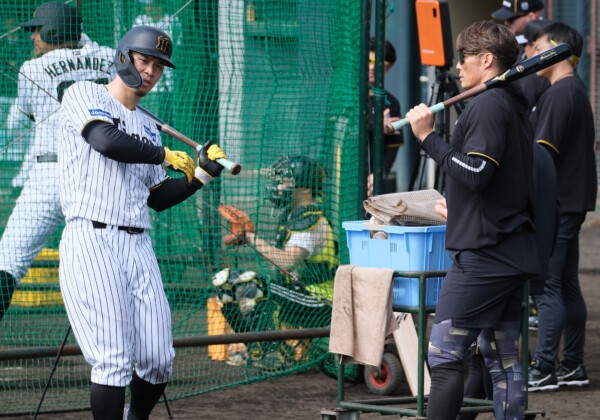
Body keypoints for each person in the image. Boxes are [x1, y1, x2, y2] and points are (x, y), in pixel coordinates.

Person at [56, 25, 227, 419]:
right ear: (124, 57)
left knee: (157, 358)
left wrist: (200, 174)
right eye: (144, 59)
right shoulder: (84, 94)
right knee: (113, 360)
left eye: (158, 66)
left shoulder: (148, 125)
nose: (150, 71)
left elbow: (158, 198)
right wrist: (163, 154)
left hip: (137, 243)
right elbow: (104, 139)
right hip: (91, 238)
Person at [405, 20, 541, 419]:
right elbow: (497, 183)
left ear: (486, 60)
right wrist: (460, 209)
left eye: (464, 59)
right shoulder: (511, 102)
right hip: (509, 247)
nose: (458, 68)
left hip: (486, 256)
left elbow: (477, 173)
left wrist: (429, 138)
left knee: (444, 357)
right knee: (502, 358)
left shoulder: (488, 104)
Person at [0, 1, 115, 323]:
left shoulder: (32, 69)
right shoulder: (109, 57)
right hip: (100, 176)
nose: (33, 37)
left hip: (50, 174)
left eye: (38, 30)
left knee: (8, 259)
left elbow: (18, 122)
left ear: (53, 30)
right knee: (102, 262)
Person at [527, 21, 597, 392]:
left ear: (554, 48)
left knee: (549, 285)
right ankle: (572, 365)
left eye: (536, 45)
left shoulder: (559, 93)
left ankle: (546, 369)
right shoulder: (572, 89)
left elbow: (542, 159)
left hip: (558, 202)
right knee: (567, 283)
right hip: (572, 200)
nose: (531, 52)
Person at [219, 155, 338, 365]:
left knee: (255, 287)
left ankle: (274, 354)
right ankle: (258, 348)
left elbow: (286, 261)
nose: (279, 185)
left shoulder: (310, 219)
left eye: (286, 181)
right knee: (226, 283)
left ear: (304, 189)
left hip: (321, 302)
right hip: (300, 294)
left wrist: (249, 236)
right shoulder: (293, 214)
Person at [491, 0, 549, 109]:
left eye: (511, 18)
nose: (506, 22)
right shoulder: (517, 43)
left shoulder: (549, 42)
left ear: (531, 16)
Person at [367, 38, 402, 197]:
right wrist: (375, 125)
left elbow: (392, 146)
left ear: (389, 68)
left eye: (380, 63)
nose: (373, 67)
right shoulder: (346, 97)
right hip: (345, 174)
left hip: (372, 181)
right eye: (369, 60)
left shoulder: (392, 103)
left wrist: (378, 174)